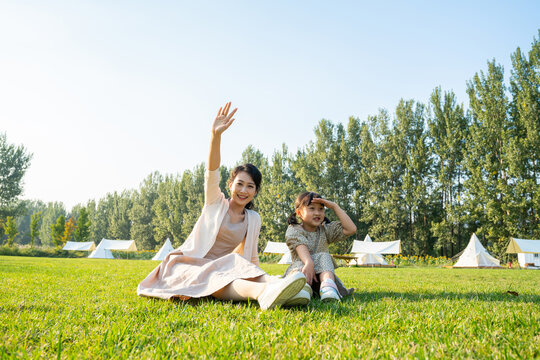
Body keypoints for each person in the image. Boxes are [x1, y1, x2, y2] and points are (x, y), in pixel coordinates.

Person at [137, 102, 306, 310]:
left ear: (255, 191)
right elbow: (212, 171)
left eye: (250, 186)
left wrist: (257, 275)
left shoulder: (253, 219)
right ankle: (267, 291)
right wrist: (215, 136)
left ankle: (277, 286)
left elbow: (251, 257)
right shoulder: (215, 203)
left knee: (235, 269)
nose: (243, 190)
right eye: (240, 184)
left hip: (223, 268)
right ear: (230, 185)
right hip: (188, 265)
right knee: (219, 276)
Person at [283, 191, 356, 302]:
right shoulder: (294, 229)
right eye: (312, 209)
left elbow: (351, 229)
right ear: (299, 213)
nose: (317, 213)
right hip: (301, 274)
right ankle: (302, 290)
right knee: (300, 264)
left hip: (321, 279)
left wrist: (335, 207)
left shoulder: (325, 229)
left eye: (321, 209)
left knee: (324, 256)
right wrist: (308, 263)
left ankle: (328, 289)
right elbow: (300, 245)